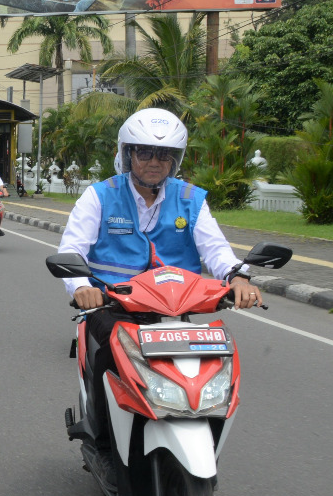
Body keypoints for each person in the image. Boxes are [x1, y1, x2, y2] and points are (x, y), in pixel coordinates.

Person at [56, 109, 260, 417]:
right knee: (110, 354)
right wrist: (81, 287)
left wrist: (238, 278)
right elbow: (72, 248)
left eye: (164, 154)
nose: (155, 161)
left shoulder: (190, 198)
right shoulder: (100, 196)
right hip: (112, 306)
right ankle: (100, 432)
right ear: (128, 155)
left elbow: (216, 249)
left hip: (174, 309)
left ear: (175, 159)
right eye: (145, 152)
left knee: (208, 363)